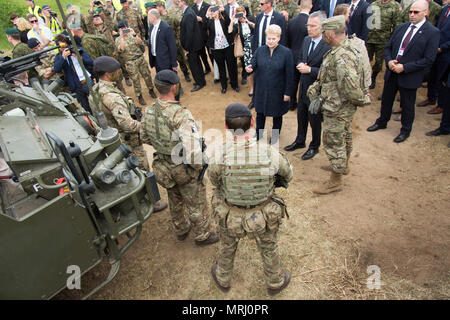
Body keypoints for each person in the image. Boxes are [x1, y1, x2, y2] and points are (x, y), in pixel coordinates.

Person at [208, 102, 293, 295]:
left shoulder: (220, 154)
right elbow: (288, 175)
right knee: (268, 246)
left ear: (226, 126)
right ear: (253, 122)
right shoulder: (269, 152)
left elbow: (213, 179)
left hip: (231, 215)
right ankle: (275, 281)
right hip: (264, 215)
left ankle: (223, 277)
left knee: (227, 245)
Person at [140, 69, 219, 245]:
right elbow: (192, 151)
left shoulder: (149, 110)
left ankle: (181, 229)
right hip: (182, 167)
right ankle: (202, 235)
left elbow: (144, 137)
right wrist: (199, 169)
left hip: (163, 165)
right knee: (196, 202)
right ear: (174, 87)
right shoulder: (180, 114)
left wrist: (163, 147)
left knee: (174, 198)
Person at [90, 56, 168, 213]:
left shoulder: (97, 89)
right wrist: (146, 127)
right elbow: (127, 124)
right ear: (108, 74)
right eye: (116, 71)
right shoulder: (111, 96)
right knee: (142, 169)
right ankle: (152, 202)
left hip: (114, 140)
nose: (119, 72)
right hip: (128, 141)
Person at [307, 15, 371, 194]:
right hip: (340, 104)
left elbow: (350, 87)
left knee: (334, 140)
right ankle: (343, 166)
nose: (322, 36)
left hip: (337, 107)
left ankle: (335, 180)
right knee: (344, 134)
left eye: (324, 32)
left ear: (330, 33)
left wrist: (360, 99)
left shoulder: (342, 56)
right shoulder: (342, 48)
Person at [367, 0, 440, 143]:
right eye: (410, 12)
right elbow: (388, 47)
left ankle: (405, 130)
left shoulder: (432, 32)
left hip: (409, 75)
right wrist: (388, 61)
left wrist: (405, 67)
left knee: (407, 105)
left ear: (426, 12)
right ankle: (382, 121)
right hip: (392, 71)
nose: (412, 15)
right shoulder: (401, 27)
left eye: (416, 12)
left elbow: (428, 59)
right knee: (387, 100)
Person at [284, 11, 331, 160]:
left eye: (313, 26)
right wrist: (299, 63)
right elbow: (300, 57)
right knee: (301, 115)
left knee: (315, 120)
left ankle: (314, 146)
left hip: (317, 92)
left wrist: (310, 69)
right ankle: (300, 140)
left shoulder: (328, 45)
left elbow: (329, 71)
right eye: (308, 25)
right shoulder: (305, 40)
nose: (309, 28)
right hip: (303, 88)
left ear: (322, 26)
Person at [246, 24, 294, 144]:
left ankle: (275, 137)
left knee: (277, 115)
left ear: (279, 38)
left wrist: (288, 93)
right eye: (269, 38)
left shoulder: (286, 53)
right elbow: (254, 64)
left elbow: (290, 75)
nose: (271, 41)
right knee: (260, 113)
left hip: (278, 91)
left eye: (274, 38)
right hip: (261, 89)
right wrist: (249, 68)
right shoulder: (260, 50)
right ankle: (258, 134)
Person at [416, 1, 450, 114]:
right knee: (432, 75)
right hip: (436, 47)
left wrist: (442, 48)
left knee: (442, 78)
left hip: (446, 52)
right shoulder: (445, 10)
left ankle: (441, 105)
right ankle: (431, 98)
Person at [116, 20, 157, 105]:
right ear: (119, 30)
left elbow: (140, 42)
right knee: (135, 80)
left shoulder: (132, 35)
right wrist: (122, 36)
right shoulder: (118, 39)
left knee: (147, 75)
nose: (124, 30)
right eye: (122, 28)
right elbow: (122, 48)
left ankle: (151, 90)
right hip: (130, 62)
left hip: (140, 58)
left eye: (125, 28)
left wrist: (134, 34)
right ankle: (139, 96)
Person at [54, 34, 94, 114]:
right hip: (75, 86)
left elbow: (91, 62)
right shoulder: (59, 57)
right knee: (85, 108)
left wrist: (79, 58)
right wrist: (63, 58)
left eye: (65, 45)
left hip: (86, 81)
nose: (64, 48)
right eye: (61, 46)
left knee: (95, 103)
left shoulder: (77, 50)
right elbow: (57, 69)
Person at [366, 0, 400, 90]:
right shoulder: (374, 4)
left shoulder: (395, 6)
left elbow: (397, 25)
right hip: (370, 38)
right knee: (366, 59)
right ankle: (365, 77)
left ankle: (373, 77)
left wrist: (392, 40)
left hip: (383, 40)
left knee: (378, 62)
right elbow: (367, 20)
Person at [206, 5, 240, 93]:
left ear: (218, 11)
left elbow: (229, 22)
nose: (213, 12)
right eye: (211, 11)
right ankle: (224, 86)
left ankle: (234, 85)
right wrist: (207, 14)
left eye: (214, 10)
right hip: (216, 49)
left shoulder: (224, 19)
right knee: (221, 68)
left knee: (231, 66)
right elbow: (203, 28)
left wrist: (223, 10)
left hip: (228, 46)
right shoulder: (209, 22)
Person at [286, 0, 311, 110]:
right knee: (305, 82)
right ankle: (303, 103)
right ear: (311, 6)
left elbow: (288, 40)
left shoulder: (291, 21)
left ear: (299, 6)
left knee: (293, 80)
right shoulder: (310, 23)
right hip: (306, 57)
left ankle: (292, 103)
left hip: (292, 54)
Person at [179, 0, 207, 92]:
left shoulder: (188, 13)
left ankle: (200, 83)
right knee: (196, 63)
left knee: (194, 65)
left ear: (183, 2)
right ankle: (201, 81)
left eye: (179, 1)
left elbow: (190, 32)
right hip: (193, 44)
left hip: (192, 45)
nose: (177, 3)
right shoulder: (188, 12)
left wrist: (186, 47)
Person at [162, 0, 192, 83]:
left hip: (177, 41)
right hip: (168, 45)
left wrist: (180, 39)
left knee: (183, 58)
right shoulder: (162, 19)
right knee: (174, 61)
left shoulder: (171, 16)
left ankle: (187, 73)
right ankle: (178, 77)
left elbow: (178, 27)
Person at [229, 6, 256, 93]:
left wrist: (247, 21)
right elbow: (230, 32)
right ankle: (252, 88)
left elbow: (258, 29)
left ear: (245, 12)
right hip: (246, 48)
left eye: (241, 14)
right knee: (249, 68)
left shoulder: (251, 18)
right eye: (238, 15)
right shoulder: (237, 24)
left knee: (257, 68)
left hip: (255, 47)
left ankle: (258, 86)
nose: (240, 17)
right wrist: (233, 20)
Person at [193, 0, 213, 76]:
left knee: (211, 54)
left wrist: (202, 19)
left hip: (208, 35)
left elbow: (211, 20)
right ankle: (207, 68)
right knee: (202, 54)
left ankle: (216, 71)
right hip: (198, 36)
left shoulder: (208, 6)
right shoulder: (192, 8)